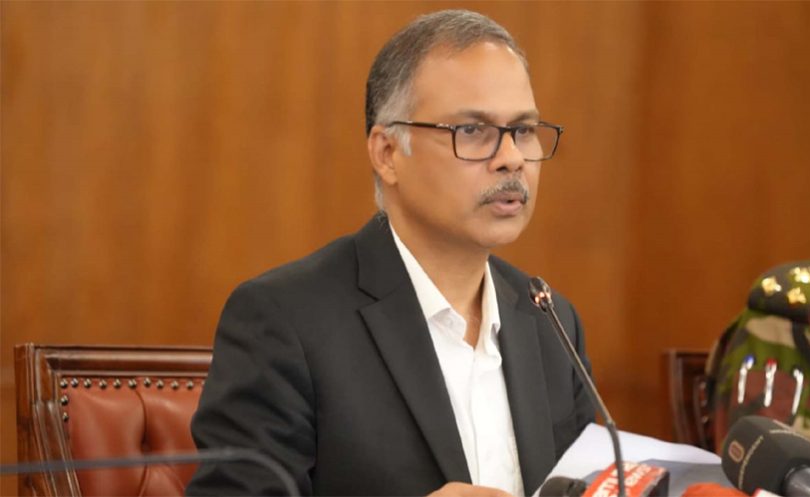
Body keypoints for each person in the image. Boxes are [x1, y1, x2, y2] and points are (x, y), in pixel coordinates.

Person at [186, 9, 594, 497]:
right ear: (387, 153)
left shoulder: (550, 321)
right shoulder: (285, 321)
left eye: (523, 130)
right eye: (472, 131)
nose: (511, 158)